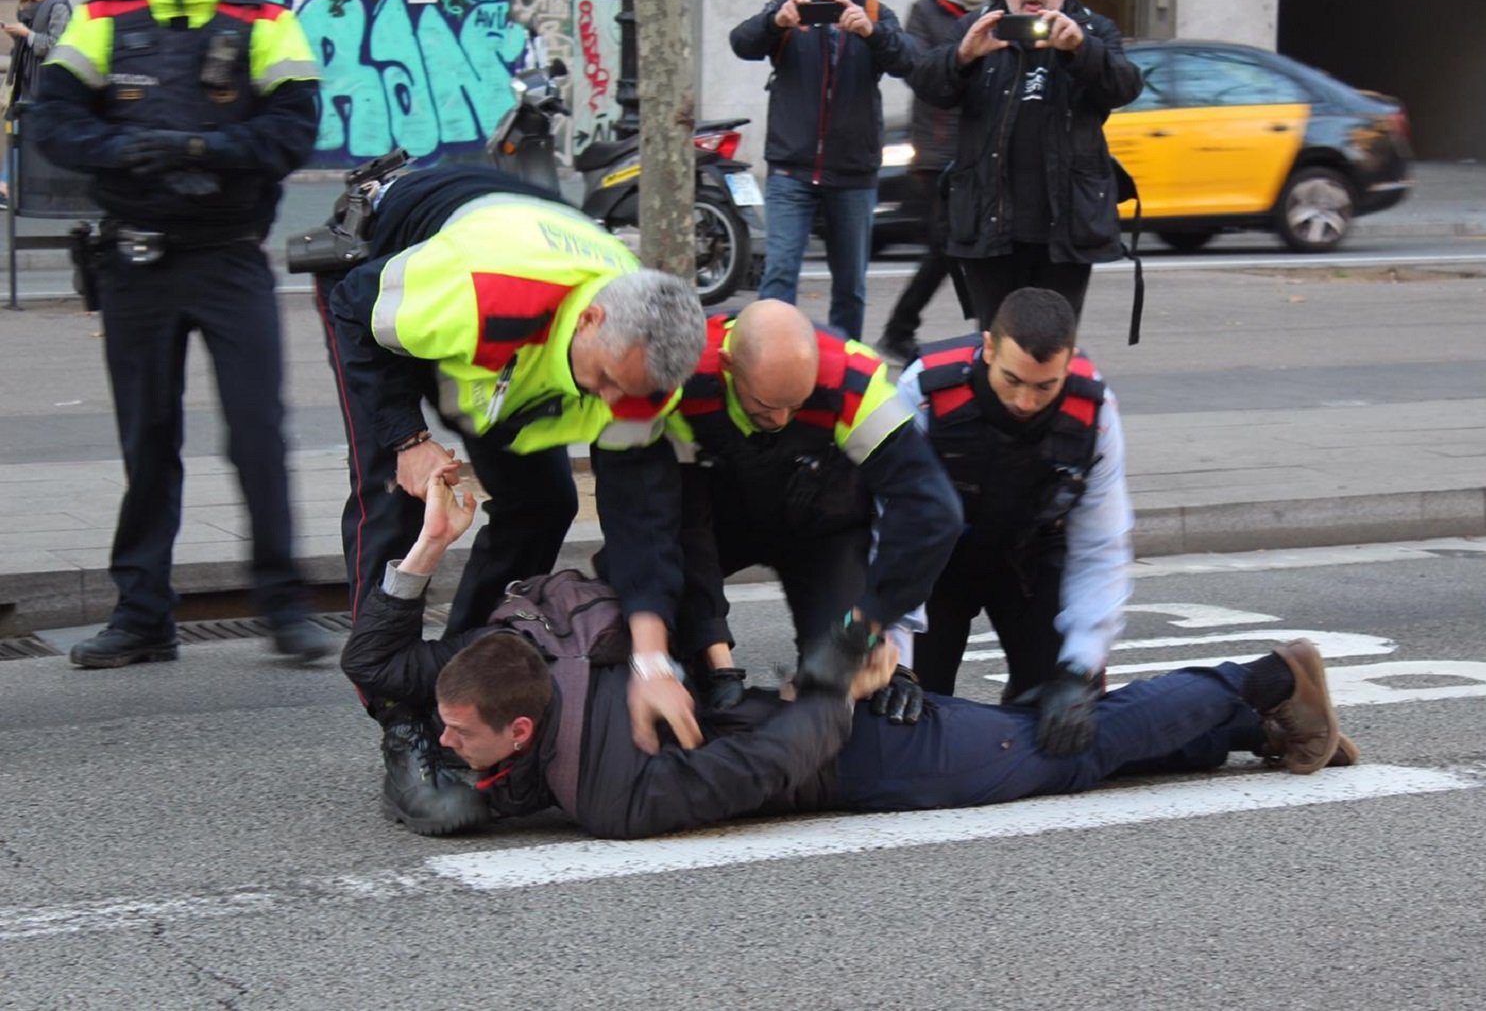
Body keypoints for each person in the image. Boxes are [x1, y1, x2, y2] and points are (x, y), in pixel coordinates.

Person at [340, 466, 1356, 840]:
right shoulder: (513, 642)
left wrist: (841, 673)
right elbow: (381, 670)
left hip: (849, 744)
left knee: (1055, 750)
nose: (438, 735)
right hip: (811, 719)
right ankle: (1248, 725)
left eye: (454, 731)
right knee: (1052, 752)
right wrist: (423, 554)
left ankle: (1265, 678)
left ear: (519, 727)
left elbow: (776, 761)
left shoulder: (619, 793)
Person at [317, 165, 707, 835]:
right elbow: (354, 304)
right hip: (399, 288)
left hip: (509, 355)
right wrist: (407, 438)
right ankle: (401, 721)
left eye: (632, 396)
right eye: (608, 382)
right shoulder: (482, 294)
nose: (614, 408)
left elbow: (642, 521)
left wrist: (652, 658)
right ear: (589, 320)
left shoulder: (642, 368)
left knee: (544, 503)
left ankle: (459, 683)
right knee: (399, 501)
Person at [31, 0, 329, 668]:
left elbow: (295, 129)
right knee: (148, 437)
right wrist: (118, 149)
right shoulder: (103, 20)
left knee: (258, 434)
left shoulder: (263, 21)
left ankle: (283, 606)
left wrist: (202, 150)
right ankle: (142, 615)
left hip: (230, 256)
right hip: (136, 261)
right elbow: (51, 117)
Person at [619, 298, 961, 714]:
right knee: (637, 601)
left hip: (822, 524)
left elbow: (932, 511)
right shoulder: (678, 370)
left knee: (839, 689)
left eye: (795, 405)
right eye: (765, 407)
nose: (781, 419)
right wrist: (714, 658)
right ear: (728, 366)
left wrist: (870, 628)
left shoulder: (853, 378)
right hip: (715, 519)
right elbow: (652, 517)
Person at [895, 288, 1131, 756]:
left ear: (1067, 364)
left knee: (1062, 726)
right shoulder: (925, 392)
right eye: (1012, 380)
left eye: (1045, 386)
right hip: (934, 564)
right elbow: (889, 529)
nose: (1025, 401)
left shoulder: (1094, 410)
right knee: (905, 724)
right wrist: (894, 658)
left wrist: (1078, 668)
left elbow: (1101, 546)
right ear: (988, 348)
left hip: (1030, 557)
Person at [908, 0, 1142, 326]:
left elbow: (1125, 85)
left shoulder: (1093, 29)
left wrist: (1081, 49)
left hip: (1066, 227)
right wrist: (963, 56)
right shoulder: (979, 26)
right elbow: (927, 84)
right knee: (996, 346)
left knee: (1051, 347)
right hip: (989, 223)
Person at [729, 0, 916, 341]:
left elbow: (911, 62)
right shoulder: (789, 5)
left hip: (853, 175)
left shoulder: (875, 13)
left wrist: (872, 34)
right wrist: (774, 22)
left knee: (850, 288)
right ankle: (773, 364)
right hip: (791, 171)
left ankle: (843, 371)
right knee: (778, 281)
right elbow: (741, 43)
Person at [875, 0, 995, 364]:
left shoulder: (997, 14)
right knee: (947, 247)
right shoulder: (924, 13)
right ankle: (899, 331)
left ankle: (986, 333)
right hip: (937, 155)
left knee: (970, 247)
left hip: (982, 154)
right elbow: (921, 73)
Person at [1, 0, 72, 207]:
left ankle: (12, 187)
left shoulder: (58, 7)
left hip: (45, 84)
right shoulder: (30, 12)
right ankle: (6, 186)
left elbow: (53, 44)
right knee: (16, 132)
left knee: (36, 137)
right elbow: (29, 45)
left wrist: (27, 34)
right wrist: (17, 35)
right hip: (25, 82)